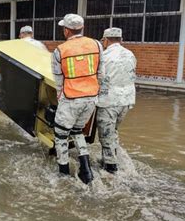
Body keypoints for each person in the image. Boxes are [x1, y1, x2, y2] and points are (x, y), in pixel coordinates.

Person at [52, 14, 104, 184]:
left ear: (67, 30)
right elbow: (101, 74)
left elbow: (59, 80)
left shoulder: (60, 50)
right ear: (82, 28)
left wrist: (61, 99)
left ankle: (63, 173)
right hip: (91, 98)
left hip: (71, 98)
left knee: (60, 135)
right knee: (77, 131)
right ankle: (86, 170)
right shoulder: (97, 44)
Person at [96, 27, 137, 174]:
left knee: (105, 135)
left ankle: (110, 169)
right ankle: (111, 159)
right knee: (113, 131)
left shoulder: (104, 56)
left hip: (109, 101)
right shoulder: (130, 54)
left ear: (106, 40)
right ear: (121, 39)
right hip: (126, 101)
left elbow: (98, 78)